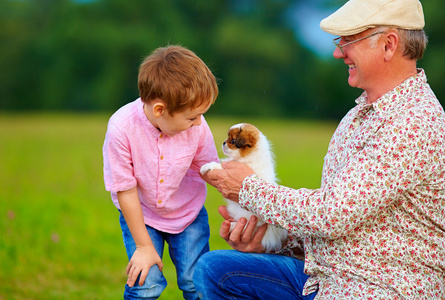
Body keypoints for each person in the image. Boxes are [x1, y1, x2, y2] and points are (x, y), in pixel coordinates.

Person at [193, 0, 445, 299]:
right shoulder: (359, 115)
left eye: (349, 39)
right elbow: (337, 228)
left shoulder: (414, 122)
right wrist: (272, 242)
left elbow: (333, 214)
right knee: (214, 270)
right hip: (327, 278)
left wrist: (247, 189)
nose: (339, 52)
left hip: (377, 288)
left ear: (389, 45)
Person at [103, 45, 219, 300]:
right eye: (192, 117)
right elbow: (125, 190)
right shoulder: (121, 128)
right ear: (159, 110)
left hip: (189, 214)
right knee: (146, 284)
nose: (199, 122)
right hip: (141, 216)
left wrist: (240, 203)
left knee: (197, 282)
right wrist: (143, 246)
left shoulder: (197, 125)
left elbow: (210, 169)